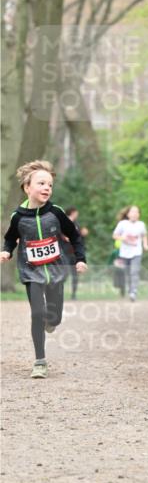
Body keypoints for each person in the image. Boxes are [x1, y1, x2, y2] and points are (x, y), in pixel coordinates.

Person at [1, 160, 87, 378]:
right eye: (41, 183)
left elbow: (75, 235)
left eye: (50, 184)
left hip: (56, 272)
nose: (47, 188)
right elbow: (10, 238)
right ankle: (40, 361)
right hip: (32, 273)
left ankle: (53, 321)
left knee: (54, 317)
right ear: (27, 187)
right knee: (37, 313)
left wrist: (80, 258)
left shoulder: (56, 212)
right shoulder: (18, 216)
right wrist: (7, 251)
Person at [112, 205, 148, 301]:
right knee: (127, 272)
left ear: (139, 215)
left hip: (137, 252)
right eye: (132, 212)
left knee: (134, 271)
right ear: (128, 214)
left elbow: (144, 235)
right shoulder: (122, 224)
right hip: (124, 252)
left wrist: (145, 244)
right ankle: (130, 290)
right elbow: (115, 235)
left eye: (137, 212)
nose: (134, 214)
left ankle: (134, 292)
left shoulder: (141, 224)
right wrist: (122, 238)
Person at [63, 207, 88, 300]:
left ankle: (73, 295)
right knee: (64, 273)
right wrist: (64, 236)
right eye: (76, 213)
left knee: (75, 275)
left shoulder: (77, 224)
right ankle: (56, 290)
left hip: (74, 254)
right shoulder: (63, 222)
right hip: (65, 253)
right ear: (73, 212)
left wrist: (83, 234)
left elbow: (78, 238)